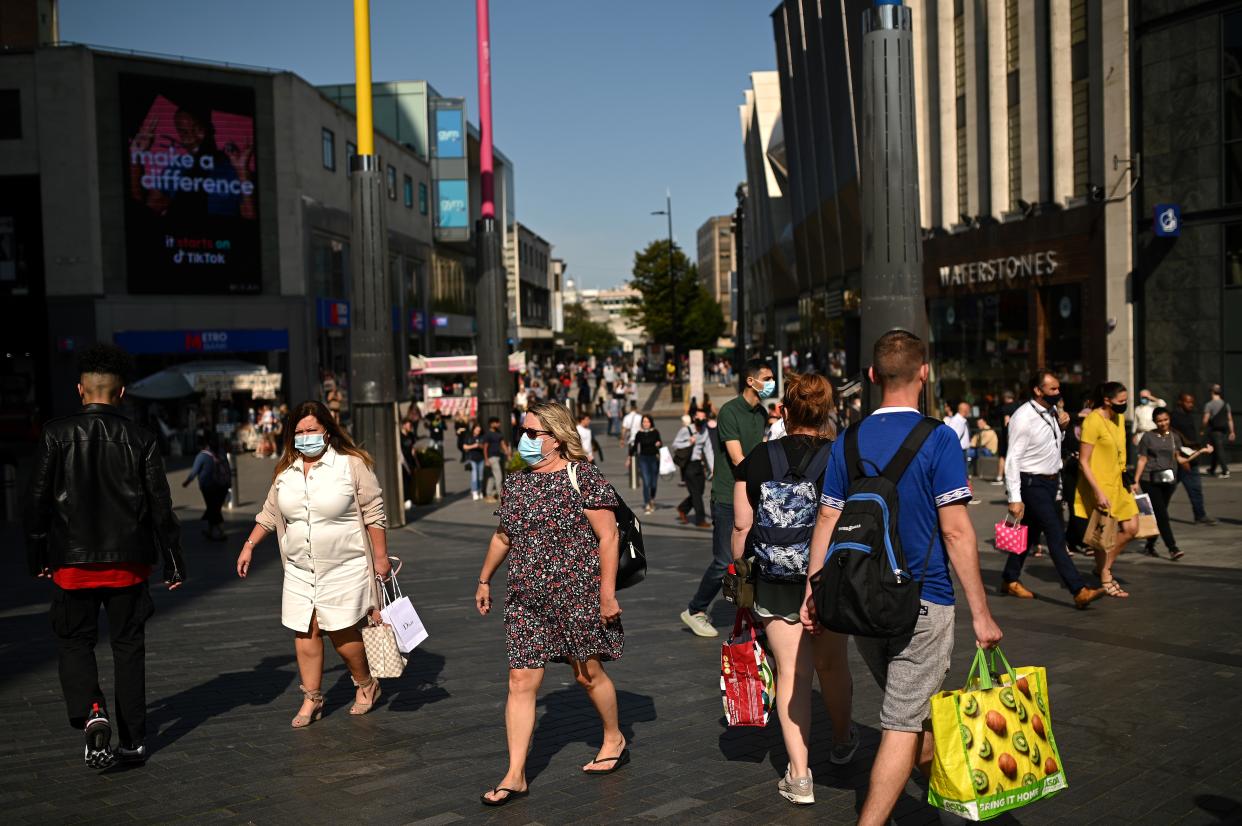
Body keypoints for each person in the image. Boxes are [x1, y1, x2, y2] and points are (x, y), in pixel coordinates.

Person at [801, 330, 1002, 826]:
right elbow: (956, 533)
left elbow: (826, 520)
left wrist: (814, 594)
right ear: (924, 372)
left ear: (871, 376)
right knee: (902, 721)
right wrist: (981, 614)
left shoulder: (847, 440)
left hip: (861, 604)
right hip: (924, 600)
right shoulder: (939, 438)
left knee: (912, 704)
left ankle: (940, 794)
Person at [25, 343, 186, 768]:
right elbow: (159, 504)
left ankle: (92, 711)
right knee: (128, 647)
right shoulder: (142, 438)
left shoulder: (56, 434)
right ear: (122, 392)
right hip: (128, 564)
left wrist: (38, 553)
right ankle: (132, 741)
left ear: (81, 390)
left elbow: (38, 500)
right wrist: (172, 558)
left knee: (74, 642)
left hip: (72, 563)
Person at [475, 402, 626, 806]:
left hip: (576, 595)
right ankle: (515, 773)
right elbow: (503, 536)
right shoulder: (518, 482)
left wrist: (606, 594)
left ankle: (614, 736)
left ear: (557, 438)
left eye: (531, 433)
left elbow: (608, 538)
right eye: (522, 431)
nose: (523, 439)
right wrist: (485, 578)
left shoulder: (583, 477)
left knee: (587, 675)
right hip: (526, 598)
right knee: (520, 681)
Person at [731, 373, 856, 805]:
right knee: (833, 666)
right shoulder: (841, 456)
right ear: (825, 412)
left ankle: (800, 777)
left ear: (783, 409)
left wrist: (741, 564)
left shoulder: (759, 457)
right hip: (825, 581)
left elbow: (742, 526)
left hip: (775, 581)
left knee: (792, 674)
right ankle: (842, 741)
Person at [238, 400, 391, 727]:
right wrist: (249, 545)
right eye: (300, 432)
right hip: (299, 568)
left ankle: (366, 683)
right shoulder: (286, 472)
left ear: (327, 431)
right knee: (305, 631)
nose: (306, 437)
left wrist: (380, 559)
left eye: (312, 430)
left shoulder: (351, 465)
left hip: (345, 565)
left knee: (340, 632)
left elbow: (375, 514)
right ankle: (312, 698)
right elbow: (269, 514)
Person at [681, 358, 773, 638]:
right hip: (726, 495)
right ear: (751, 380)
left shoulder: (762, 413)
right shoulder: (730, 412)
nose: (771, 383)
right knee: (724, 561)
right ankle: (695, 609)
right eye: (767, 378)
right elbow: (738, 459)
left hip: (753, 494)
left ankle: (753, 612)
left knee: (754, 558)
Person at [999, 371, 1104, 607]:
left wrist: (1063, 427)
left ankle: (1009, 578)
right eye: (1053, 389)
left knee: (1029, 534)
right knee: (1056, 535)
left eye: (1058, 388)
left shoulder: (1052, 411)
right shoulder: (1022, 417)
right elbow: (1013, 459)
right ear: (1038, 390)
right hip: (1031, 483)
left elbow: (1053, 445)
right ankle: (1078, 590)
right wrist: (1014, 497)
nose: (1059, 392)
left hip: (1049, 482)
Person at [1074, 382, 1139, 598]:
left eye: (1126, 400)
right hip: (1099, 485)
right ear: (1107, 400)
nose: (1124, 405)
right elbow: (1083, 461)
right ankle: (1105, 576)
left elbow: (1120, 451)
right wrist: (1098, 492)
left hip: (1118, 482)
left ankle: (1103, 567)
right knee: (1105, 534)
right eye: (1121, 401)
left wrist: (1127, 478)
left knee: (1131, 528)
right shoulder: (1092, 421)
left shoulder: (1118, 418)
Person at [1134, 407, 1214, 560]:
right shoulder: (1148, 437)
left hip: (1169, 480)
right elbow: (1142, 459)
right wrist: (1136, 481)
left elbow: (1181, 459)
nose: (1163, 423)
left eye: (1165, 420)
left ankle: (1149, 546)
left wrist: (1201, 452)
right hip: (1149, 479)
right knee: (1162, 515)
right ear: (1155, 421)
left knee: (1159, 515)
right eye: (1159, 421)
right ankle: (1172, 548)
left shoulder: (1174, 436)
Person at [1169, 392, 1217, 524]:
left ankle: (1200, 515)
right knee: (1168, 489)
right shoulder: (1175, 417)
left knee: (1195, 489)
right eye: (1187, 402)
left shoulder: (1189, 416)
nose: (1191, 404)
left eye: (1192, 402)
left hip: (1192, 458)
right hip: (1180, 460)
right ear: (1180, 402)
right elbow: (1173, 438)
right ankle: (1157, 513)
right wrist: (1181, 456)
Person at [182, 433, 230, 541]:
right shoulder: (222, 452)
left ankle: (221, 532)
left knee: (214, 509)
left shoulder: (202, 456)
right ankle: (210, 531)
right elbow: (228, 469)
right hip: (223, 486)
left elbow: (194, 472)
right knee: (214, 508)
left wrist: (187, 482)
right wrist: (229, 484)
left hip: (208, 487)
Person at [675, 410, 714, 527]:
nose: (701, 419)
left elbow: (708, 450)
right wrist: (688, 442)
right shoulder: (685, 430)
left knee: (700, 491)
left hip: (698, 465)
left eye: (703, 417)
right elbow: (675, 444)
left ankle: (683, 508)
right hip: (688, 465)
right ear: (694, 417)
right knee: (696, 493)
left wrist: (712, 467)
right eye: (699, 417)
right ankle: (700, 519)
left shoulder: (705, 431)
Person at [628, 415, 663, 513]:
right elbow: (635, 447)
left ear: (651, 422)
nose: (645, 423)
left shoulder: (655, 432)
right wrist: (629, 457)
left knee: (654, 483)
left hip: (654, 459)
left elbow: (661, 444)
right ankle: (647, 503)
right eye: (644, 422)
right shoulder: (639, 433)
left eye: (647, 422)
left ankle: (652, 499)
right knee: (646, 482)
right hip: (643, 459)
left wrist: (659, 444)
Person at [1203, 384, 1234, 477]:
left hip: (1214, 431)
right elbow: (1230, 419)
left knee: (1219, 450)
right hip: (1223, 431)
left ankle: (1225, 471)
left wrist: (1202, 429)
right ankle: (1212, 469)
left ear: (1212, 392)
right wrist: (1232, 432)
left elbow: (1205, 419)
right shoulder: (1226, 404)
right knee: (1215, 450)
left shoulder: (1209, 404)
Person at [990, 390, 1018, 485]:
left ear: (1005, 398)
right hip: (1017, 435)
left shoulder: (1005, 408)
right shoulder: (1018, 407)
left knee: (1002, 456)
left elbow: (1006, 422)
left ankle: (999, 477)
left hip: (1006, 435)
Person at [482, 417, 510, 503]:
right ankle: (500, 496)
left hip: (498, 457)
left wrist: (508, 453)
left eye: (498, 422)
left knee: (492, 477)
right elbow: (485, 447)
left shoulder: (498, 433)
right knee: (499, 477)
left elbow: (502, 444)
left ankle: (489, 494)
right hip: (491, 457)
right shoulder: (488, 434)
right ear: (491, 424)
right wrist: (486, 459)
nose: (498, 424)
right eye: (496, 422)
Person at [463, 423, 487, 501]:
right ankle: (474, 491)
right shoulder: (469, 437)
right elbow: (465, 447)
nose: (478, 431)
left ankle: (480, 490)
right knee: (474, 476)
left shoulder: (482, 437)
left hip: (481, 459)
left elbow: (485, 446)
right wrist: (474, 446)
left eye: (479, 430)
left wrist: (480, 446)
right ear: (473, 429)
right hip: (472, 459)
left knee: (480, 477)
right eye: (476, 430)